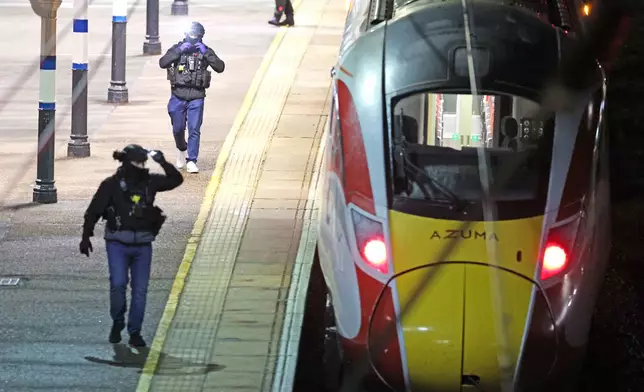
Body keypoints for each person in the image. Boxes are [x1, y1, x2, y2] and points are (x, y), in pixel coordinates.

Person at [79, 144, 183, 347]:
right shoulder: (110, 185)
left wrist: (162, 162)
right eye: (138, 162)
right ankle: (118, 321)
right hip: (117, 243)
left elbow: (176, 180)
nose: (141, 166)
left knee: (140, 290)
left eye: (144, 162)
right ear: (127, 163)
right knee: (118, 285)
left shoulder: (149, 182)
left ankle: (135, 331)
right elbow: (93, 211)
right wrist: (86, 236)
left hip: (143, 244)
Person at [159, 21, 225, 174]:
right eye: (191, 34)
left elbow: (220, 67)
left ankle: (192, 160)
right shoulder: (178, 48)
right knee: (178, 128)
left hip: (197, 96)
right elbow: (163, 62)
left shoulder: (205, 51)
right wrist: (179, 51)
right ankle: (182, 149)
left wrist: (206, 53)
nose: (193, 37)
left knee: (194, 129)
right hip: (178, 95)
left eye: (196, 35)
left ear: (201, 36)